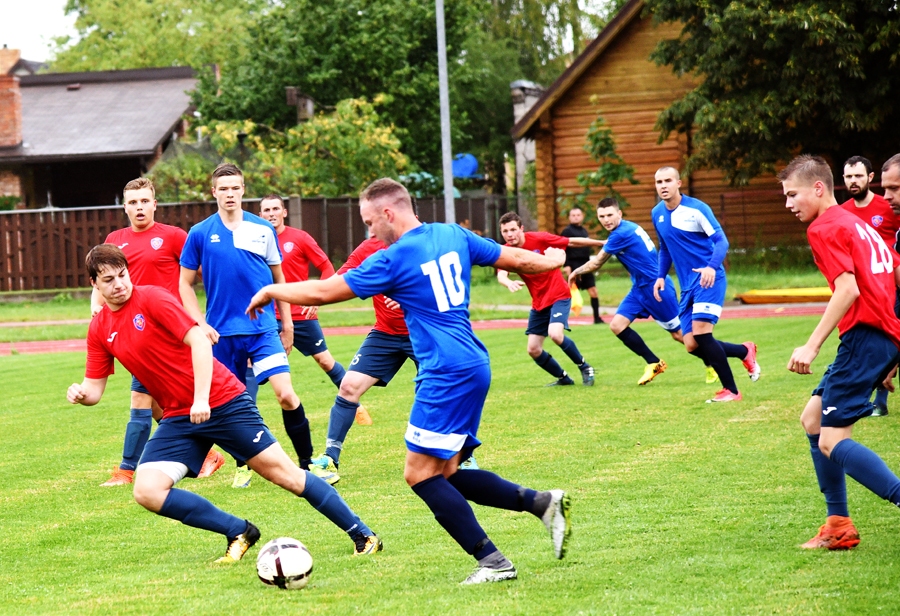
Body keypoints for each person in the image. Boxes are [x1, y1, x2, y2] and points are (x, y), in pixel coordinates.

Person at [247, 178, 572, 584]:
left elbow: (325, 291)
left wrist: (271, 290)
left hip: (444, 372)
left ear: (388, 213)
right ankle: (543, 504)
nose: (369, 232)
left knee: (419, 474)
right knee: (448, 471)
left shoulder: (393, 258)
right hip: (474, 362)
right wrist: (555, 262)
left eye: (369, 223)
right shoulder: (453, 234)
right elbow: (518, 260)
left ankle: (493, 562)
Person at [69, 244, 381, 561]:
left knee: (284, 475)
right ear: (94, 284)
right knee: (147, 491)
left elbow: (199, 341)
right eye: (108, 280)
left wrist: (202, 398)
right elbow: (94, 390)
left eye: (122, 275)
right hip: (181, 416)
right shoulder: (99, 328)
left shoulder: (151, 298)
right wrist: (81, 394)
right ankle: (239, 531)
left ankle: (364, 535)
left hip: (223, 400)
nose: (119, 284)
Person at [179, 163, 328, 489]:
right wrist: (200, 323)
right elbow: (184, 284)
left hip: (263, 330)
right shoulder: (200, 233)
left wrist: (286, 324)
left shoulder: (263, 228)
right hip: (221, 335)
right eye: (224, 188)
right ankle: (242, 464)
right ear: (214, 192)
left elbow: (280, 280)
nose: (230, 194)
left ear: (243, 190)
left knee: (286, 395)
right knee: (233, 406)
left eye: (236, 188)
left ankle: (307, 464)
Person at [779, 154, 900, 551]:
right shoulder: (856, 223)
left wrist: (811, 345)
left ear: (818, 188)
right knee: (813, 418)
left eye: (793, 194)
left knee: (831, 440)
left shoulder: (826, 227)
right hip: (876, 337)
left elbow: (848, 289)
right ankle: (838, 524)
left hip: (866, 337)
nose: (788, 204)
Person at [91, 177, 223, 486]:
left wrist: (201, 317)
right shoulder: (115, 239)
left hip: (164, 332)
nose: (139, 207)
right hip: (130, 333)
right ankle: (206, 455)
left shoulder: (174, 236)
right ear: (125, 207)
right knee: (158, 404)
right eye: (133, 202)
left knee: (139, 399)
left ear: (154, 204)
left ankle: (126, 470)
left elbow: (200, 276)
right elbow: (102, 277)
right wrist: (96, 306)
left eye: (144, 201)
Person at [308, 235, 418, 484]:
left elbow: (441, 283)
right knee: (348, 386)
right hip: (386, 333)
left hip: (424, 330)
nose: (370, 227)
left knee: (441, 392)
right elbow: (339, 280)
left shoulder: (422, 242)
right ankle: (329, 459)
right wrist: (310, 296)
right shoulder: (369, 246)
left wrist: (409, 296)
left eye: (372, 219)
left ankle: (463, 455)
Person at [651, 166, 760, 403]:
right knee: (690, 343)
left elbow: (721, 241)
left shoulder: (697, 209)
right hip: (687, 285)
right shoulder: (657, 213)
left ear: (679, 183)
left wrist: (711, 266)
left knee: (702, 333)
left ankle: (731, 390)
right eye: (659, 181)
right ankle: (744, 351)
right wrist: (660, 276)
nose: (663, 185)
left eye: (668, 180)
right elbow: (665, 248)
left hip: (709, 278)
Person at [568, 197, 683, 385]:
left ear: (619, 214)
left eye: (610, 215)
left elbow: (597, 262)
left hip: (656, 288)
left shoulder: (620, 234)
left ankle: (718, 360)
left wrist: (575, 272)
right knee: (617, 325)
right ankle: (654, 362)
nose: (606, 220)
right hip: (639, 288)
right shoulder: (627, 228)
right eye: (602, 216)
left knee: (679, 335)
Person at [497, 211, 603, 387]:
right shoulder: (507, 251)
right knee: (533, 349)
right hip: (539, 303)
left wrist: (600, 242)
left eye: (513, 229)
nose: (510, 234)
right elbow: (501, 274)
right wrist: (507, 282)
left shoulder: (540, 239)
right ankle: (564, 379)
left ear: (521, 229)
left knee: (555, 334)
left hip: (558, 295)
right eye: (505, 231)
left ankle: (585, 367)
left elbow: (571, 241)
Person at [258, 194, 348, 390]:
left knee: (325, 361)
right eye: (267, 210)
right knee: (253, 366)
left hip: (300, 315)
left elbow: (327, 268)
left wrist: (317, 298)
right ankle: (241, 418)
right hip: (268, 316)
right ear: (260, 215)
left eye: (275, 209)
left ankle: (353, 401)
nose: (271, 214)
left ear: (284, 212)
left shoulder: (300, 238)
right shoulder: (256, 242)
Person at [840, 156, 900, 417]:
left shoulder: (886, 208)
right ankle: (875, 398)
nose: (853, 181)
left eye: (858, 176)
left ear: (869, 177)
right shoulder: (842, 213)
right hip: (868, 287)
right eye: (849, 176)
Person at [561, 206, 602, 324]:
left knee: (593, 291)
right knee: (568, 293)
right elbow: (563, 249)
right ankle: (561, 319)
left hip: (586, 265)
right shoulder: (567, 231)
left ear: (582, 217)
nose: (576, 217)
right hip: (573, 264)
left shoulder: (584, 231)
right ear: (569, 217)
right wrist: (567, 265)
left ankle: (597, 318)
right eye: (573, 215)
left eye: (578, 215)